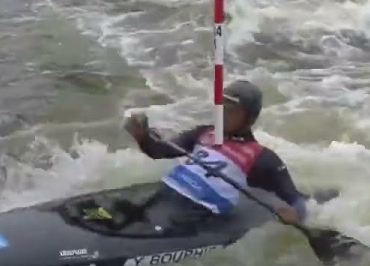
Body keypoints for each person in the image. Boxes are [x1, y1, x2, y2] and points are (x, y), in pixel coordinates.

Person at [122, 80, 308, 229]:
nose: (224, 114)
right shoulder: (203, 132)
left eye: (232, 111)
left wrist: (296, 213)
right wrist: (142, 137)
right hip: (164, 196)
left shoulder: (262, 157)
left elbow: (295, 198)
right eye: (222, 107)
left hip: (197, 214)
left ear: (249, 118)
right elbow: (158, 151)